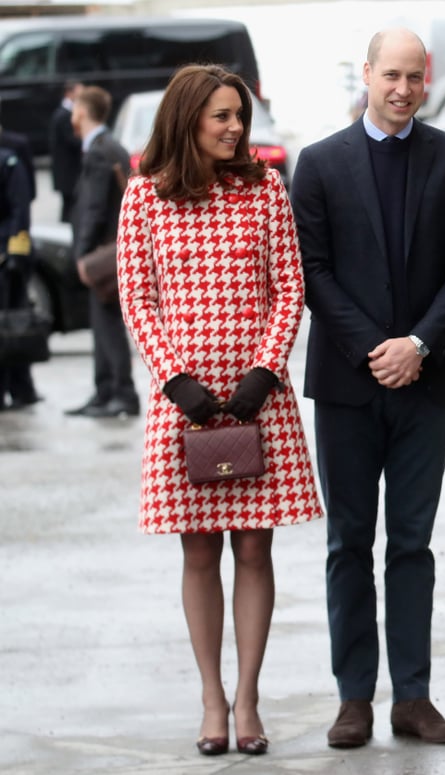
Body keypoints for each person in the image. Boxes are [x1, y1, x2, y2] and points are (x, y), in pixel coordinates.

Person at [116, 64, 323, 757]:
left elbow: (288, 285)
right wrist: (176, 381)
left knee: (256, 544)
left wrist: (265, 370)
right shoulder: (144, 194)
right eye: (223, 117)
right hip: (185, 401)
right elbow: (136, 296)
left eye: (241, 115)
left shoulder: (266, 189)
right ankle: (212, 697)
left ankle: (250, 699)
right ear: (188, 120)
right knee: (199, 547)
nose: (237, 128)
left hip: (257, 395)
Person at [290, 27, 445, 749]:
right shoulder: (317, 164)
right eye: (390, 75)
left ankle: (413, 696)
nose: (402, 89)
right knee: (348, 541)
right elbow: (315, 271)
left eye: (415, 77)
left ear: (425, 80)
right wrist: (375, 347)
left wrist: (418, 344)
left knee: (411, 542)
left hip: (427, 383)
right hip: (348, 384)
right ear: (367, 74)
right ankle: (353, 698)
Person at [64, 86, 140, 419]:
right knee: (104, 322)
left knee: (107, 324)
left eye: (73, 110)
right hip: (115, 250)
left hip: (103, 253)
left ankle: (119, 393)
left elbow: (94, 208)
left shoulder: (98, 151)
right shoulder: (113, 147)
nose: (71, 116)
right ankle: (105, 391)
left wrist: (82, 255)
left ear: (82, 112)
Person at [0, 147, 38, 410]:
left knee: (12, 328)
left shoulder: (9, 162)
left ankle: (19, 388)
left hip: (6, 258)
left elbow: (20, 211)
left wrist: (15, 256)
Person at [49, 81, 83, 223]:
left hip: (69, 170)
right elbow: (72, 140)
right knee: (69, 207)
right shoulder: (64, 115)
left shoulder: (66, 113)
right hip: (67, 170)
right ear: (69, 93)